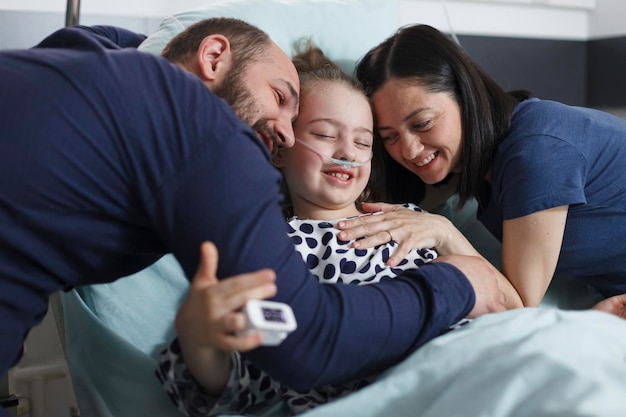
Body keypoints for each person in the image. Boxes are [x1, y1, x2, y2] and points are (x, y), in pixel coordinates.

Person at [0, 18, 506, 409]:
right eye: (284, 101)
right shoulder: (256, 210)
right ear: (214, 55)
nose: (282, 130)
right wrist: (455, 282)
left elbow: (512, 310)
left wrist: (446, 238)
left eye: (366, 140)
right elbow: (288, 354)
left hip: (492, 366)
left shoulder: (95, 66)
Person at [156, 42, 473, 416]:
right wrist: (199, 341)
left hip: (476, 366)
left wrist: (447, 233)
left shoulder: (413, 219)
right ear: (279, 149)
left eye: (363, 141)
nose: (348, 152)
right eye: (324, 134)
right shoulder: (271, 249)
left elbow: (501, 302)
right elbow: (247, 382)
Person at [337, 23, 626, 318]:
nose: (409, 150)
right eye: (389, 136)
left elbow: (520, 305)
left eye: (422, 123)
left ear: (466, 95)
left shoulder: (535, 151)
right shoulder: (480, 161)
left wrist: (444, 233)